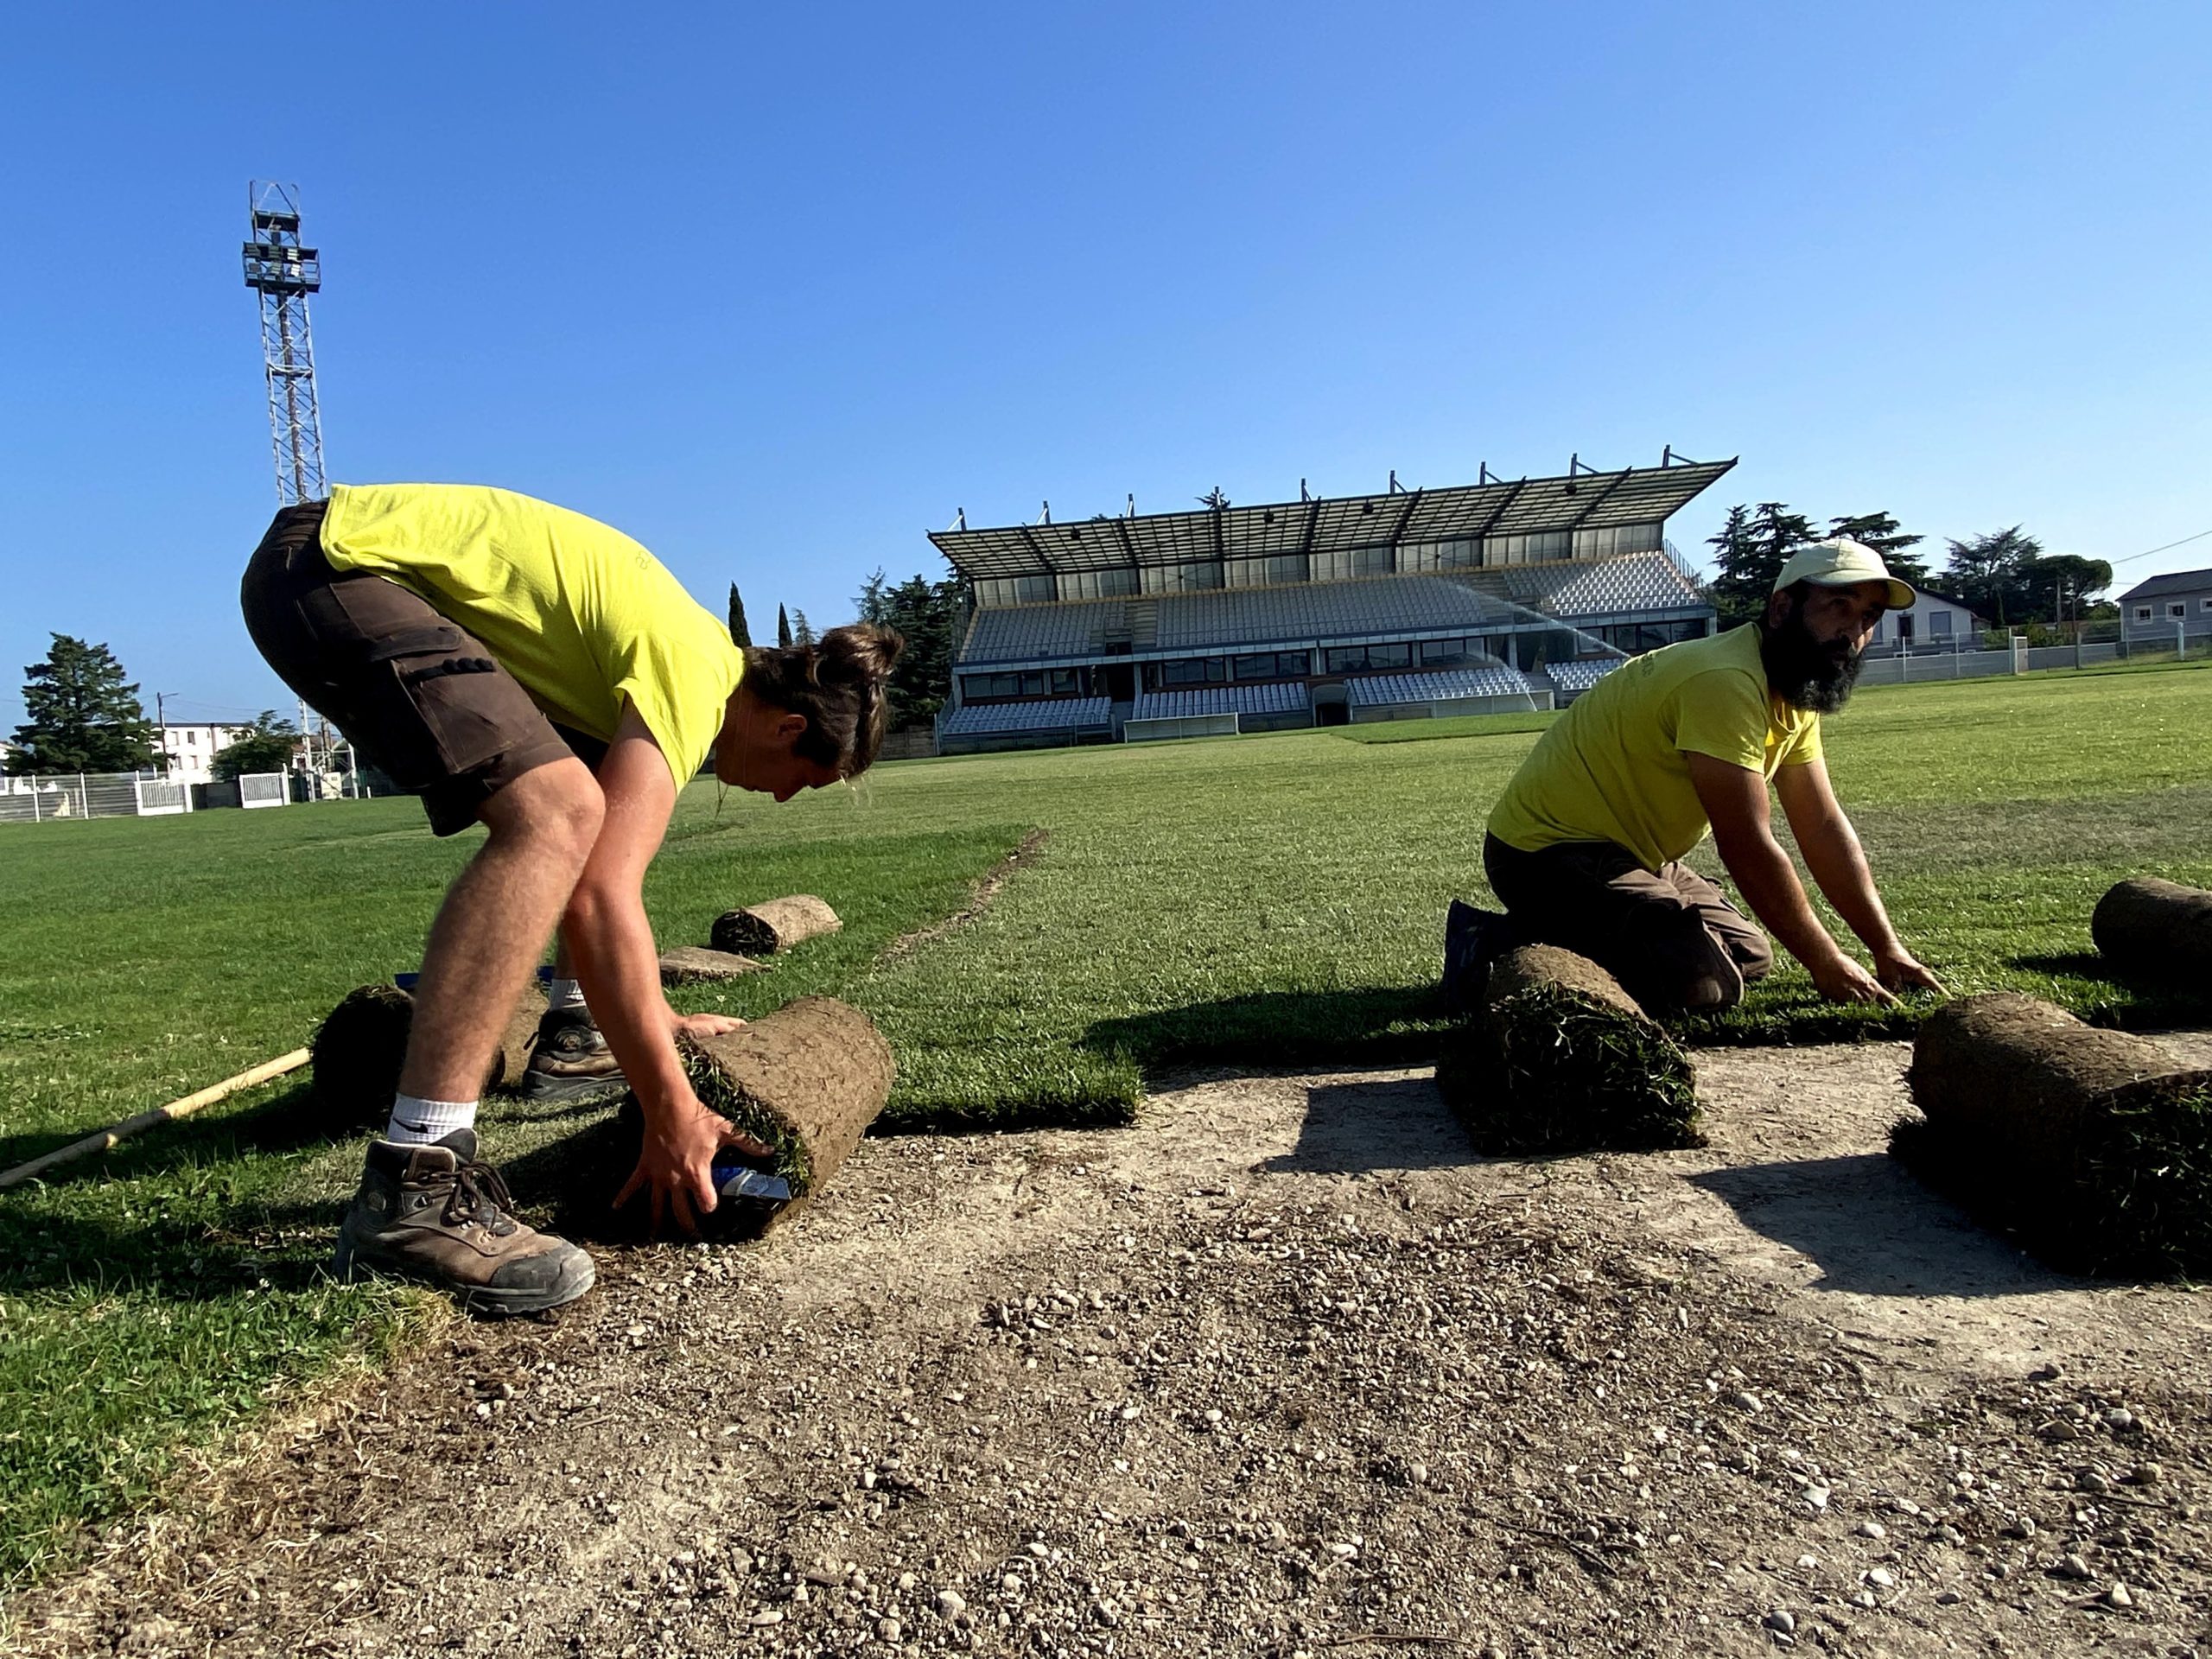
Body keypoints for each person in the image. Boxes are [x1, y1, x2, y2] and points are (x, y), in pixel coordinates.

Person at [241, 483, 902, 1315]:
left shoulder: (674, 662)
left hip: (329, 560)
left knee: (569, 813)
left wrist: (651, 1017)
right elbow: (598, 895)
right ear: (787, 728)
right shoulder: (696, 674)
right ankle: (418, 1184)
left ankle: (571, 1028)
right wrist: (672, 1106)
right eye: (803, 782)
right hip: (338, 566)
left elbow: (594, 883)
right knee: (557, 816)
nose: (780, 800)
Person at [1462, 537, 1942, 1016]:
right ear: (1780, 608)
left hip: (1632, 855)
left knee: (1751, 957)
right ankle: (1494, 944)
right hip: (1542, 854)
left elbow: (1821, 826)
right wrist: (1825, 960)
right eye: (1839, 606)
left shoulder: (1795, 691)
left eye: (1868, 617)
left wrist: (1887, 948)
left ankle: (1631, 920)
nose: (1853, 631)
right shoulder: (1725, 681)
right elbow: (1746, 843)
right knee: (1700, 984)